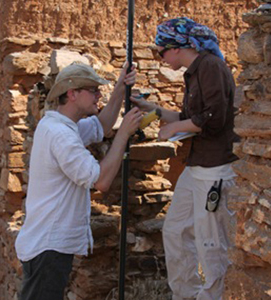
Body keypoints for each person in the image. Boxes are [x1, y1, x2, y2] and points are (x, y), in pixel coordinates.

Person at [131, 17, 239, 300]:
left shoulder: (210, 66)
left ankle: (214, 296)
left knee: (211, 244)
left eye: (161, 51)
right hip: (197, 166)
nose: (161, 57)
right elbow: (190, 117)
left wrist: (175, 128)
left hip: (215, 168)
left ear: (177, 47)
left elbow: (214, 119)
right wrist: (152, 109)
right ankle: (186, 295)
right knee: (176, 231)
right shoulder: (195, 71)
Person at [15, 62, 142, 300]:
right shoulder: (62, 135)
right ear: (72, 94)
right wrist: (124, 134)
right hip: (48, 248)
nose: (98, 95)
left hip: (46, 246)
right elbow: (101, 181)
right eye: (93, 90)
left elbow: (101, 127)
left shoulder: (58, 126)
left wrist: (119, 88)